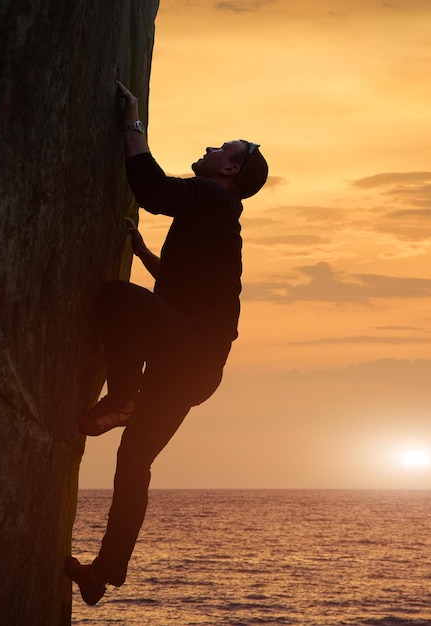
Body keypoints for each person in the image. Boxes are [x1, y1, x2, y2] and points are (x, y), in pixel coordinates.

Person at [64, 80, 269, 606]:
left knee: (114, 296)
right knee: (134, 463)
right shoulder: (217, 216)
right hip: (198, 369)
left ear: (230, 170)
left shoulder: (210, 200)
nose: (210, 148)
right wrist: (142, 250)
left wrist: (131, 120)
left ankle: (123, 396)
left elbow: (152, 190)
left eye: (224, 148)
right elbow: (184, 287)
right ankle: (103, 575)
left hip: (190, 353)